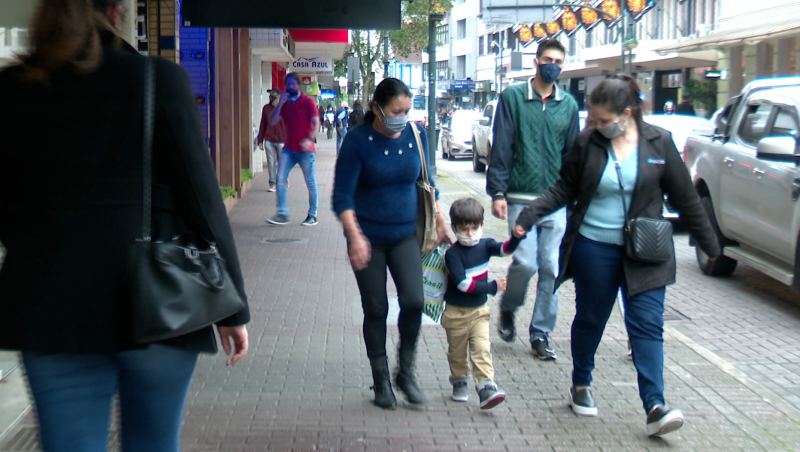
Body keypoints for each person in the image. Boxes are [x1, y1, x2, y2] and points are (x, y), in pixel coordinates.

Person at [0, 1, 250, 451]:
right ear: (115, 12)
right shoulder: (156, 79)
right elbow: (202, 199)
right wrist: (232, 309)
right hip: (160, 304)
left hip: (50, 308)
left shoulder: (11, 88)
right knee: (154, 442)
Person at [511, 74, 721, 437]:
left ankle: (655, 406)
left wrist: (711, 248)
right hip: (594, 247)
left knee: (647, 324)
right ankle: (581, 383)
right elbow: (564, 187)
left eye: (603, 120)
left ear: (626, 114)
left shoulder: (659, 142)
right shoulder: (588, 142)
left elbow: (686, 199)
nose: (596, 125)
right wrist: (529, 216)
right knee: (591, 318)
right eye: (593, 119)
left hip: (646, 250)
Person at [332, 78, 452, 409]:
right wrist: (354, 236)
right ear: (377, 108)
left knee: (414, 301)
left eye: (406, 111)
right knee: (376, 309)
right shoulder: (357, 141)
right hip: (368, 239)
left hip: (405, 235)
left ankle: (406, 372)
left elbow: (426, 180)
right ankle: (381, 379)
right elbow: (342, 196)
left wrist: (440, 218)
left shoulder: (416, 135)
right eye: (396, 112)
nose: (402, 117)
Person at [487, 38, 579, 360]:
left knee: (551, 267)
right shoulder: (512, 97)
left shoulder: (568, 105)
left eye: (558, 61)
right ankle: (509, 306)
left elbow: (572, 154)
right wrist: (498, 192)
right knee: (526, 263)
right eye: (548, 59)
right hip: (520, 198)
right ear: (536, 62)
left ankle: (541, 333)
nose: (553, 65)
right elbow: (502, 146)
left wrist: (573, 196)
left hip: (555, 200)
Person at [443, 198, 521, 409]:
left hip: (479, 312)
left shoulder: (485, 245)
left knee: (482, 348)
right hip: (455, 313)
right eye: (464, 229)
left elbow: (504, 249)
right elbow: (463, 284)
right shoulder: (452, 254)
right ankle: (459, 380)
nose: (470, 234)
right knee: (457, 352)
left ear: (482, 225)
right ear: (454, 228)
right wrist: (492, 287)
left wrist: (516, 238)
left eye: (474, 228)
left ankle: (486, 386)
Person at [265, 72, 320, 227]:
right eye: (287, 84)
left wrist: (309, 139)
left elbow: (316, 123)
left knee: (310, 181)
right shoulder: (286, 104)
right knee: (280, 178)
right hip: (289, 148)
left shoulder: (307, 102)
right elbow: (272, 120)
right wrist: (280, 103)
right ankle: (282, 214)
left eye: (293, 84)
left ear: (298, 85)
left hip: (306, 151)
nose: (290, 87)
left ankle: (312, 215)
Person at [257, 89, 287, 192]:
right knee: (271, 163)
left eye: (273, 95)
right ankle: (272, 184)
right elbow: (263, 124)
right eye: (270, 95)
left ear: (279, 96)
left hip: (281, 140)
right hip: (269, 139)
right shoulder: (266, 108)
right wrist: (260, 140)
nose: (271, 97)